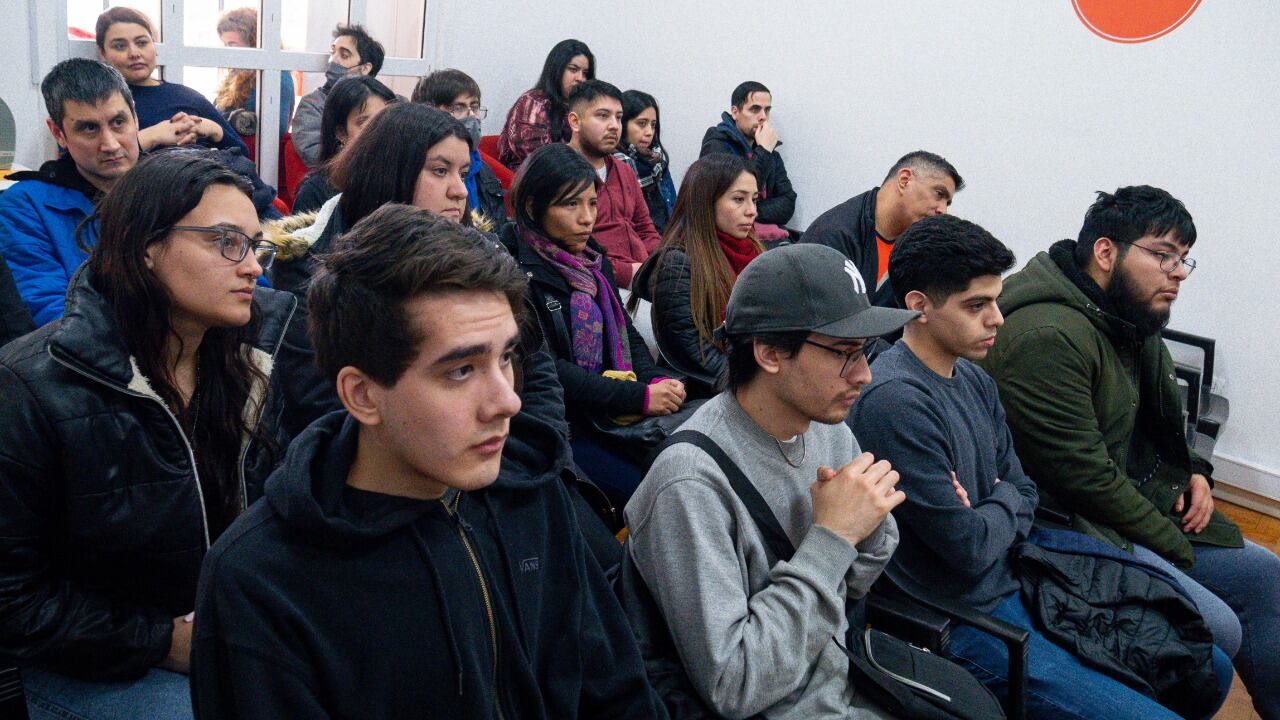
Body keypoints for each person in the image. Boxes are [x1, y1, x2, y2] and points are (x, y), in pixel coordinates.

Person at [189, 204, 664, 718]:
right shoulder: (264, 581)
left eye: (506, 358)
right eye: (461, 370)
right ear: (363, 394)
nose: (507, 401)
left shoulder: (531, 491)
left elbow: (617, 691)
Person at [850, 213, 1229, 720]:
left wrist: (997, 501)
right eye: (976, 306)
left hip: (1026, 571)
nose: (998, 319)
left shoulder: (973, 377)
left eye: (995, 299)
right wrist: (1003, 500)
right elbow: (967, 550)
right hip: (965, 616)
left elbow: (1024, 489)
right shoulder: (897, 403)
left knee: (1207, 666)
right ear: (918, 307)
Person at [0, 149, 291, 720]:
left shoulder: (250, 364)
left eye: (256, 245)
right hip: (90, 659)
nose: (254, 266)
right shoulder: (30, 386)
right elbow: (12, 597)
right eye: (226, 241)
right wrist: (162, 640)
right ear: (145, 247)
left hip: (224, 628)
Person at [980, 185, 1280, 719]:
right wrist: (1176, 548)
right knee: (1222, 627)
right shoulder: (1047, 334)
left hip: (1127, 500)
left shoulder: (1123, 312)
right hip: (1064, 524)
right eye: (1162, 255)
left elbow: (1164, 417)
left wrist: (1196, 471)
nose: (1179, 272)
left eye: (1183, 258)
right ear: (1105, 251)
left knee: (1263, 572)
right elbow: (1082, 478)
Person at [627, 242, 917, 719]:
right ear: (769, 353)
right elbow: (735, 684)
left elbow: (864, 573)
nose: (865, 374)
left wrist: (854, 533)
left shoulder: (830, 429)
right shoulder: (689, 484)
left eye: (864, 351)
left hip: (845, 682)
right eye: (844, 353)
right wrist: (834, 536)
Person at [499, 143, 683, 505]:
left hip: (611, 413)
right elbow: (550, 369)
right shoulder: (515, 271)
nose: (587, 218)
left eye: (592, 203)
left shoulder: (591, 258)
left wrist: (654, 379)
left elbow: (625, 329)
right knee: (650, 493)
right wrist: (640, 397)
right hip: (566, 426)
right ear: (534, 208)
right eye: (571, 205)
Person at [0, 59, 140, 326]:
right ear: (58, 133)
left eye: (118, 122)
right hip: (93, 360)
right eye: (89, 128)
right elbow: (52, 317)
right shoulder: (24, 206)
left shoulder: (174, 190)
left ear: (135, 116)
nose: (110, 144)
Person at [629, 153, 762, 396]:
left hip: (755, 372)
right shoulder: (677, 263)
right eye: (739, 199)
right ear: (705, 202)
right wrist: (756, 385)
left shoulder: (755, 250)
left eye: (754, 199)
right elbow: (695, 355)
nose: (751, 211)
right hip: (708, 390)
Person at [803, 150, 963, 309]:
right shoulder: (834, 235)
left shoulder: (921, 245)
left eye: (947, 203)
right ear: (905, 180)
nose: (943, 210)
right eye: (939, 194)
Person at [95, 7, 248, 155]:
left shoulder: (186, 96)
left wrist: (213, 129)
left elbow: (242, 153)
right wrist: (152, 136)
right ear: (102, 52)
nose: (134, 53)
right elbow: (97, 160)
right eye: (120, 46)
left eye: (142, 43)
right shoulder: (98, 103)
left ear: (154, 47)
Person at [565, 80, 662, 289]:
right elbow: (565, 249)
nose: (614, 125)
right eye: (603, 116)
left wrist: (665, 260)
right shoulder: (558, 170)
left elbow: (645, 229)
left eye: (618, 118)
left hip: (641, 274)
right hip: (596, 284)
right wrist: (630, 272)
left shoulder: (624, 170)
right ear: (575, 121)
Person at [412, 68, 508, 224]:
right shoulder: (417, 164)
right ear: (429, 112)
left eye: (474, 107)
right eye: (458, 108)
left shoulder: (484, 171)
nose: (471, 116)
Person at [700, 81, 796, 233]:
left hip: (768, 236)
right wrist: (763, 150)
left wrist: (749, 210)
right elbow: (731, 195)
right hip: (725, 237)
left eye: (767, 110)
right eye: (755, 109)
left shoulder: (770, 150)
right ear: (735, 112)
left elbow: (788, 202)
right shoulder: (717, 143)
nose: (763, 117)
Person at [290, 75, 396, 214]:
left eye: (385, 120)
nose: (379, 130)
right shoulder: (316, 192)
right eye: (364, 123)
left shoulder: (401, 179)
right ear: (341, 133)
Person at [291, 23, 385, 168]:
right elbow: (316, 155)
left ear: (365, 68)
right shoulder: (312, 104)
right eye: (332, 52)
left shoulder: (386, 101)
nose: (333, 60)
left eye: (344, 55)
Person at [497, 38, 594, 170]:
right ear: (556, 70)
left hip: (578, 178)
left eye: (585, 73)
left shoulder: (583, 106)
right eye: (573, 69)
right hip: (534, 181)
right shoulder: (533, 103)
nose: (580, 79)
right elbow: (540, 160)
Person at [213, 7, 296, 139]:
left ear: (252, 44)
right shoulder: (235, 74)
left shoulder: (276, 77)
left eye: (232, 45)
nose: (228, 52)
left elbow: (275, 129)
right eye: (225, 45)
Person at [617, 89, 676, 233]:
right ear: (622, 124)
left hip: (668, 242)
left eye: (653, 125)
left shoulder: (658, 161)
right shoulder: (614, 165)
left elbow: (674, 211)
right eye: (642, 123)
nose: (649, 132)